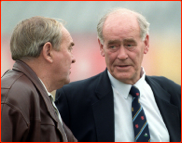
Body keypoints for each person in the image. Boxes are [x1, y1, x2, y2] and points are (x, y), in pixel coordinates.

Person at [55, 8, 181, 142]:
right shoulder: (73, 100)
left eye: (129, 45)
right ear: (101, 46)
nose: (122, 55)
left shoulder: (173, 93)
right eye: (113, 46)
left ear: (146, 43)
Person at [1, 16, 77, 142]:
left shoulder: (31, 93)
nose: (73, 58)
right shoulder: (13, 95)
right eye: (69, 48)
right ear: (48, 52)